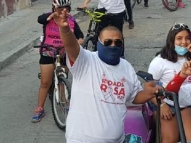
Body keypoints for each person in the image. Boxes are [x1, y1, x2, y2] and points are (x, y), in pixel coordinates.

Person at [52, 8, 162, 143]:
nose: (113, 45)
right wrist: (65, 29)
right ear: (98, 43)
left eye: (118, 42)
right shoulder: (86, 61)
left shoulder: (126, 67)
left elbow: (134, 97)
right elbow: (71, 46)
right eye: (108, 42)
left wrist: (150, 93)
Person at [148, 23, 191, 143]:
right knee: (170, 139)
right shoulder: (159, 61)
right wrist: (161, 105)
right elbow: (148, 87)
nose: (184, 42)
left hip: (188, 104)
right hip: (166, 103)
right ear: (171, 40)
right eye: (179, 38)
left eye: (187, 38)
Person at [32, 0, 85, 123]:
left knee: (62, 78)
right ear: (54, 8)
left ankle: (64, 101)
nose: (62, 11)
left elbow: (80, 36)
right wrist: (51, 16)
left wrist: (77, 43)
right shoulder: (48, 18)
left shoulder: (71, 21)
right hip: (47, 52)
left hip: (63, 53)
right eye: (59, 8)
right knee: (45, 82)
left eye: (65, 8)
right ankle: (40, 109)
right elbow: (40, 19)